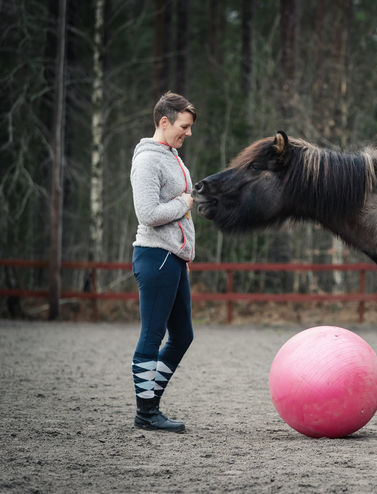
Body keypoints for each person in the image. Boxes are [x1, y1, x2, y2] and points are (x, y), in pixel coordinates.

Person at [129, 91, 197, 432]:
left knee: (183, 335)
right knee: (152, 336)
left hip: (172, 258)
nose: (187, 133)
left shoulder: (172, 156)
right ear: (164, 121)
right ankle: (146, 414)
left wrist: (184, 252)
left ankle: (150, 402)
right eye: (183, 126)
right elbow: (148, 213)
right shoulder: (149, 160)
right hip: (154, 256)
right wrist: (185, 203)